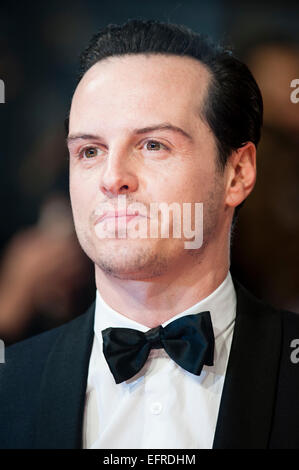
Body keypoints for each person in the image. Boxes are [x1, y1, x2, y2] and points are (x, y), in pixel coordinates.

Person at [0, 19, 299, 450]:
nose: (113, 177)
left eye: (153, 145)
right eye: (90, 151)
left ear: (237, 173)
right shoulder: (10, 385)